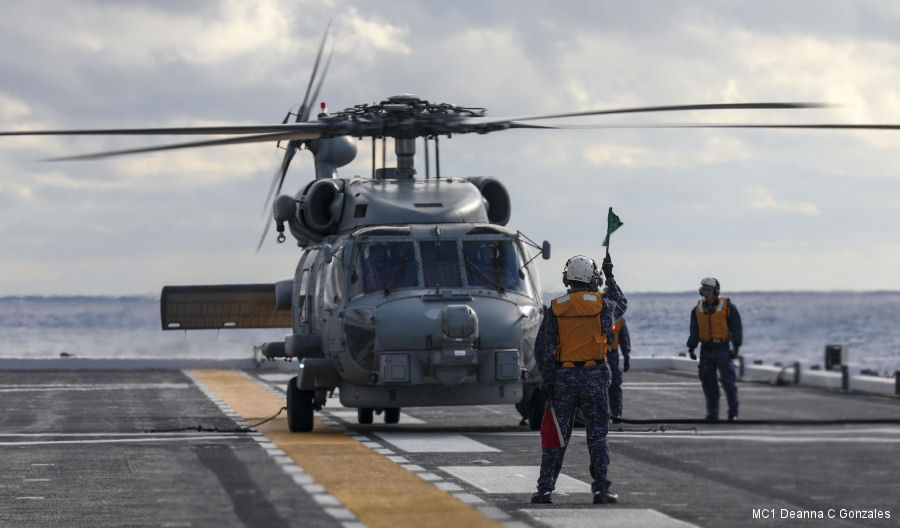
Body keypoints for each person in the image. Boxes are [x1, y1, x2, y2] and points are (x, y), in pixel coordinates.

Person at [531, 253, 626, 505]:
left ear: (567, 278)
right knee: (597, 436)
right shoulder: (602, 306)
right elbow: (621, 302)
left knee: (558, 436)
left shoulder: (556, 307)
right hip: (595, 377)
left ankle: (545, 489)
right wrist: (611, 276)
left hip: (564, 378)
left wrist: (549, 381)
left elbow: (543, 349)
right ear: (592, 278)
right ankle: (601, 490)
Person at [686, 277, 743, 422]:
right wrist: (691, 347)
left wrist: (736, 346)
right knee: (708, 382)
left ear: (715, 291)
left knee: (728, 382)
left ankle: (733, 413)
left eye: (708, 290)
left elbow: (736, 327)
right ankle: (712, 413)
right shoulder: (697, 310)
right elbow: (694, 330)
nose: (705, 292)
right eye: (704, 289)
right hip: (706, 350)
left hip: (722, 348)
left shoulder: (728, 307)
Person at [607, 317, 631, 422]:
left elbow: (623, 338)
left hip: (611, 355)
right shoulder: (592, 313)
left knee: (615, 385)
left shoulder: (618, 319)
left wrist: (626, 357)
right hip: (595, 356)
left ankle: (616, 414)